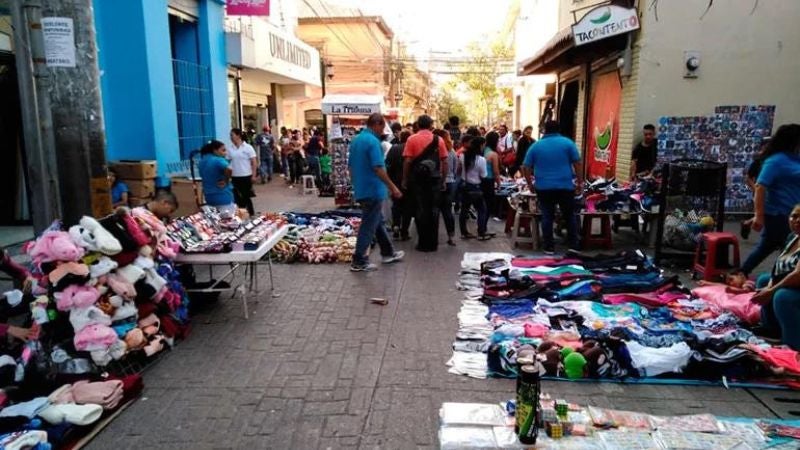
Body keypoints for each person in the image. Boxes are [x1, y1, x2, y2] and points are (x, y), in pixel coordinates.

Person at [348, 113, 405, 272]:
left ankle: (388, 252)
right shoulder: (373, 142)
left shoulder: (356, 140)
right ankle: (359, 260)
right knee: (368, 225)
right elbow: (378, 168)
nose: (382, 131)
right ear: (377, 124)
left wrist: (355, 185)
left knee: (377, 221)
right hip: (373, 189)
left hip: (362, 188)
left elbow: (350, 167)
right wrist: (393, 187)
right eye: (382, 127)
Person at [741, 124, 800, 275]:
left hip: (792, 213)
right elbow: (760, 187)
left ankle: (741, 273)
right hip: (779, 214)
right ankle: (782, 280)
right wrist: (758, 216)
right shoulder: (775, 161)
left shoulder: (796, 159)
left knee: (768, 246)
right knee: (789, 248)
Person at [523, 120, 583, 254]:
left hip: (543, 187)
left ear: (544, 130)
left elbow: (526, 167)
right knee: (569, 215)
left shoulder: (536, 146)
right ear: (558, 129)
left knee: (547, 216)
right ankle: (573, 245)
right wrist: (580, 182)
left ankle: (549, 246)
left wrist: (530, 184)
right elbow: (578, 163)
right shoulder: (568, 143)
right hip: (565, 186)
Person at [750, 204, 800, 349]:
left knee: (782, 296)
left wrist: (771, 290)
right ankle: (771, 329)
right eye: (794, 216)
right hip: (794, 284)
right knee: (764, 280)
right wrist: (770, 285)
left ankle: (792, 343)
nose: (797, 220)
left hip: (797, 283)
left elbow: (798, 274)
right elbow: (778, 267)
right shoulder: (792, 237)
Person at [403, 115, 449, 252]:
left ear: (418, 125)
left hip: (417, 180)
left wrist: (405, 179)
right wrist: (443, 179)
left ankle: (423, 242)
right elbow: (445, 161)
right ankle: (433, 243)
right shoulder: (439, 140)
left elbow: (407, 161)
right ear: (430, 125)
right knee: (434, 209)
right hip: (434, 179)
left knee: (420, 209)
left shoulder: (411, 139)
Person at [458, 137, 489, 240]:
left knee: (464, 210)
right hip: (476, 187)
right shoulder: (481, 160)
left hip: (465, 186)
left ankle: (464, 233)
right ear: (480, 146)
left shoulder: (462, 156)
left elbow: (459, 170)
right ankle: (481, 233)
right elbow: (484, 175)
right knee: (482, 209)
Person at [386, 130, 412, 240]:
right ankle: (404, 231)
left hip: (395, 182)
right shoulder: (411, 148)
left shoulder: (393, 149)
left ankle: (396, 225)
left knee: (396, 205)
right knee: (407, 207)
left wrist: (389, 181)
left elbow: (387, 165)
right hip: (408, 183)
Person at [199, 139, 236, 215]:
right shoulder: (218, 160)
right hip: (223, 196)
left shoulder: (202, 161)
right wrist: (226, 180)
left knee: (215, 220)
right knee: (228, 220)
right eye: (223, 150)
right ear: (215, 151)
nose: (225, 153)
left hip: (208, 197)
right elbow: (229, 169)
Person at [434, 129, 457, 246]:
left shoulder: (435, 151)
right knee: (447, 210)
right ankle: (451, 236)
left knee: (435, 210)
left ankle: (433, 237)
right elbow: (455, 168)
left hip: (437, 182)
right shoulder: (451, 150)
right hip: (450, 182)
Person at [227, 128, 257, 216]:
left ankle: (251, 214)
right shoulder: (230, 149)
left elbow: (254, 162)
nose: (231, 137)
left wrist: (254, 175)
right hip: (235, 176)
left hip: (246, 175)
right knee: (237, 197)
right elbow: (227, 161)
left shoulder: (248, 148)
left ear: (238, 136)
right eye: (230, 135)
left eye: (232, 135)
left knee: (246, 196)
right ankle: (242, 215)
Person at [482, 131, 502, 220]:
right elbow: (496, 171)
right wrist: (499, 184)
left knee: (481, 206)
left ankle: (481, 224)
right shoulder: (493, 154)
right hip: (489, 180)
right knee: (488, 205)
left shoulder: (482, 150)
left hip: (480, 179)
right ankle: (483, 226)